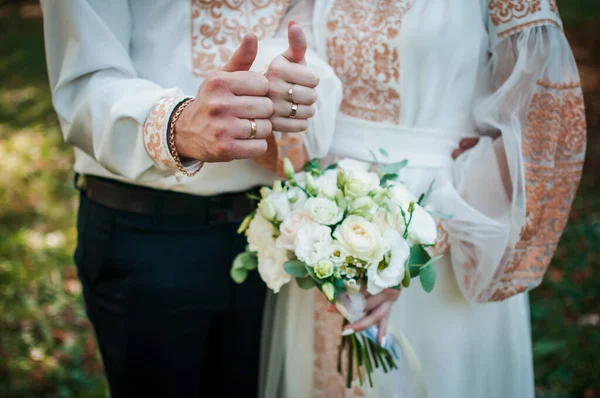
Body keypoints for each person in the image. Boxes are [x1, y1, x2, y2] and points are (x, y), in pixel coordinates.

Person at [258, 0, 587, 397]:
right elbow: (294, 51)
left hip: (449, 208)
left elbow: (540, 115)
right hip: (326, 205)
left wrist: (428, 237)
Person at [40, 1, 339, 396]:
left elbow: (310, 30)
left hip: (267, 234)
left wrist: (293, 78)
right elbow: (84, 80)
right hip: (148, 236)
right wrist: (178, 124)